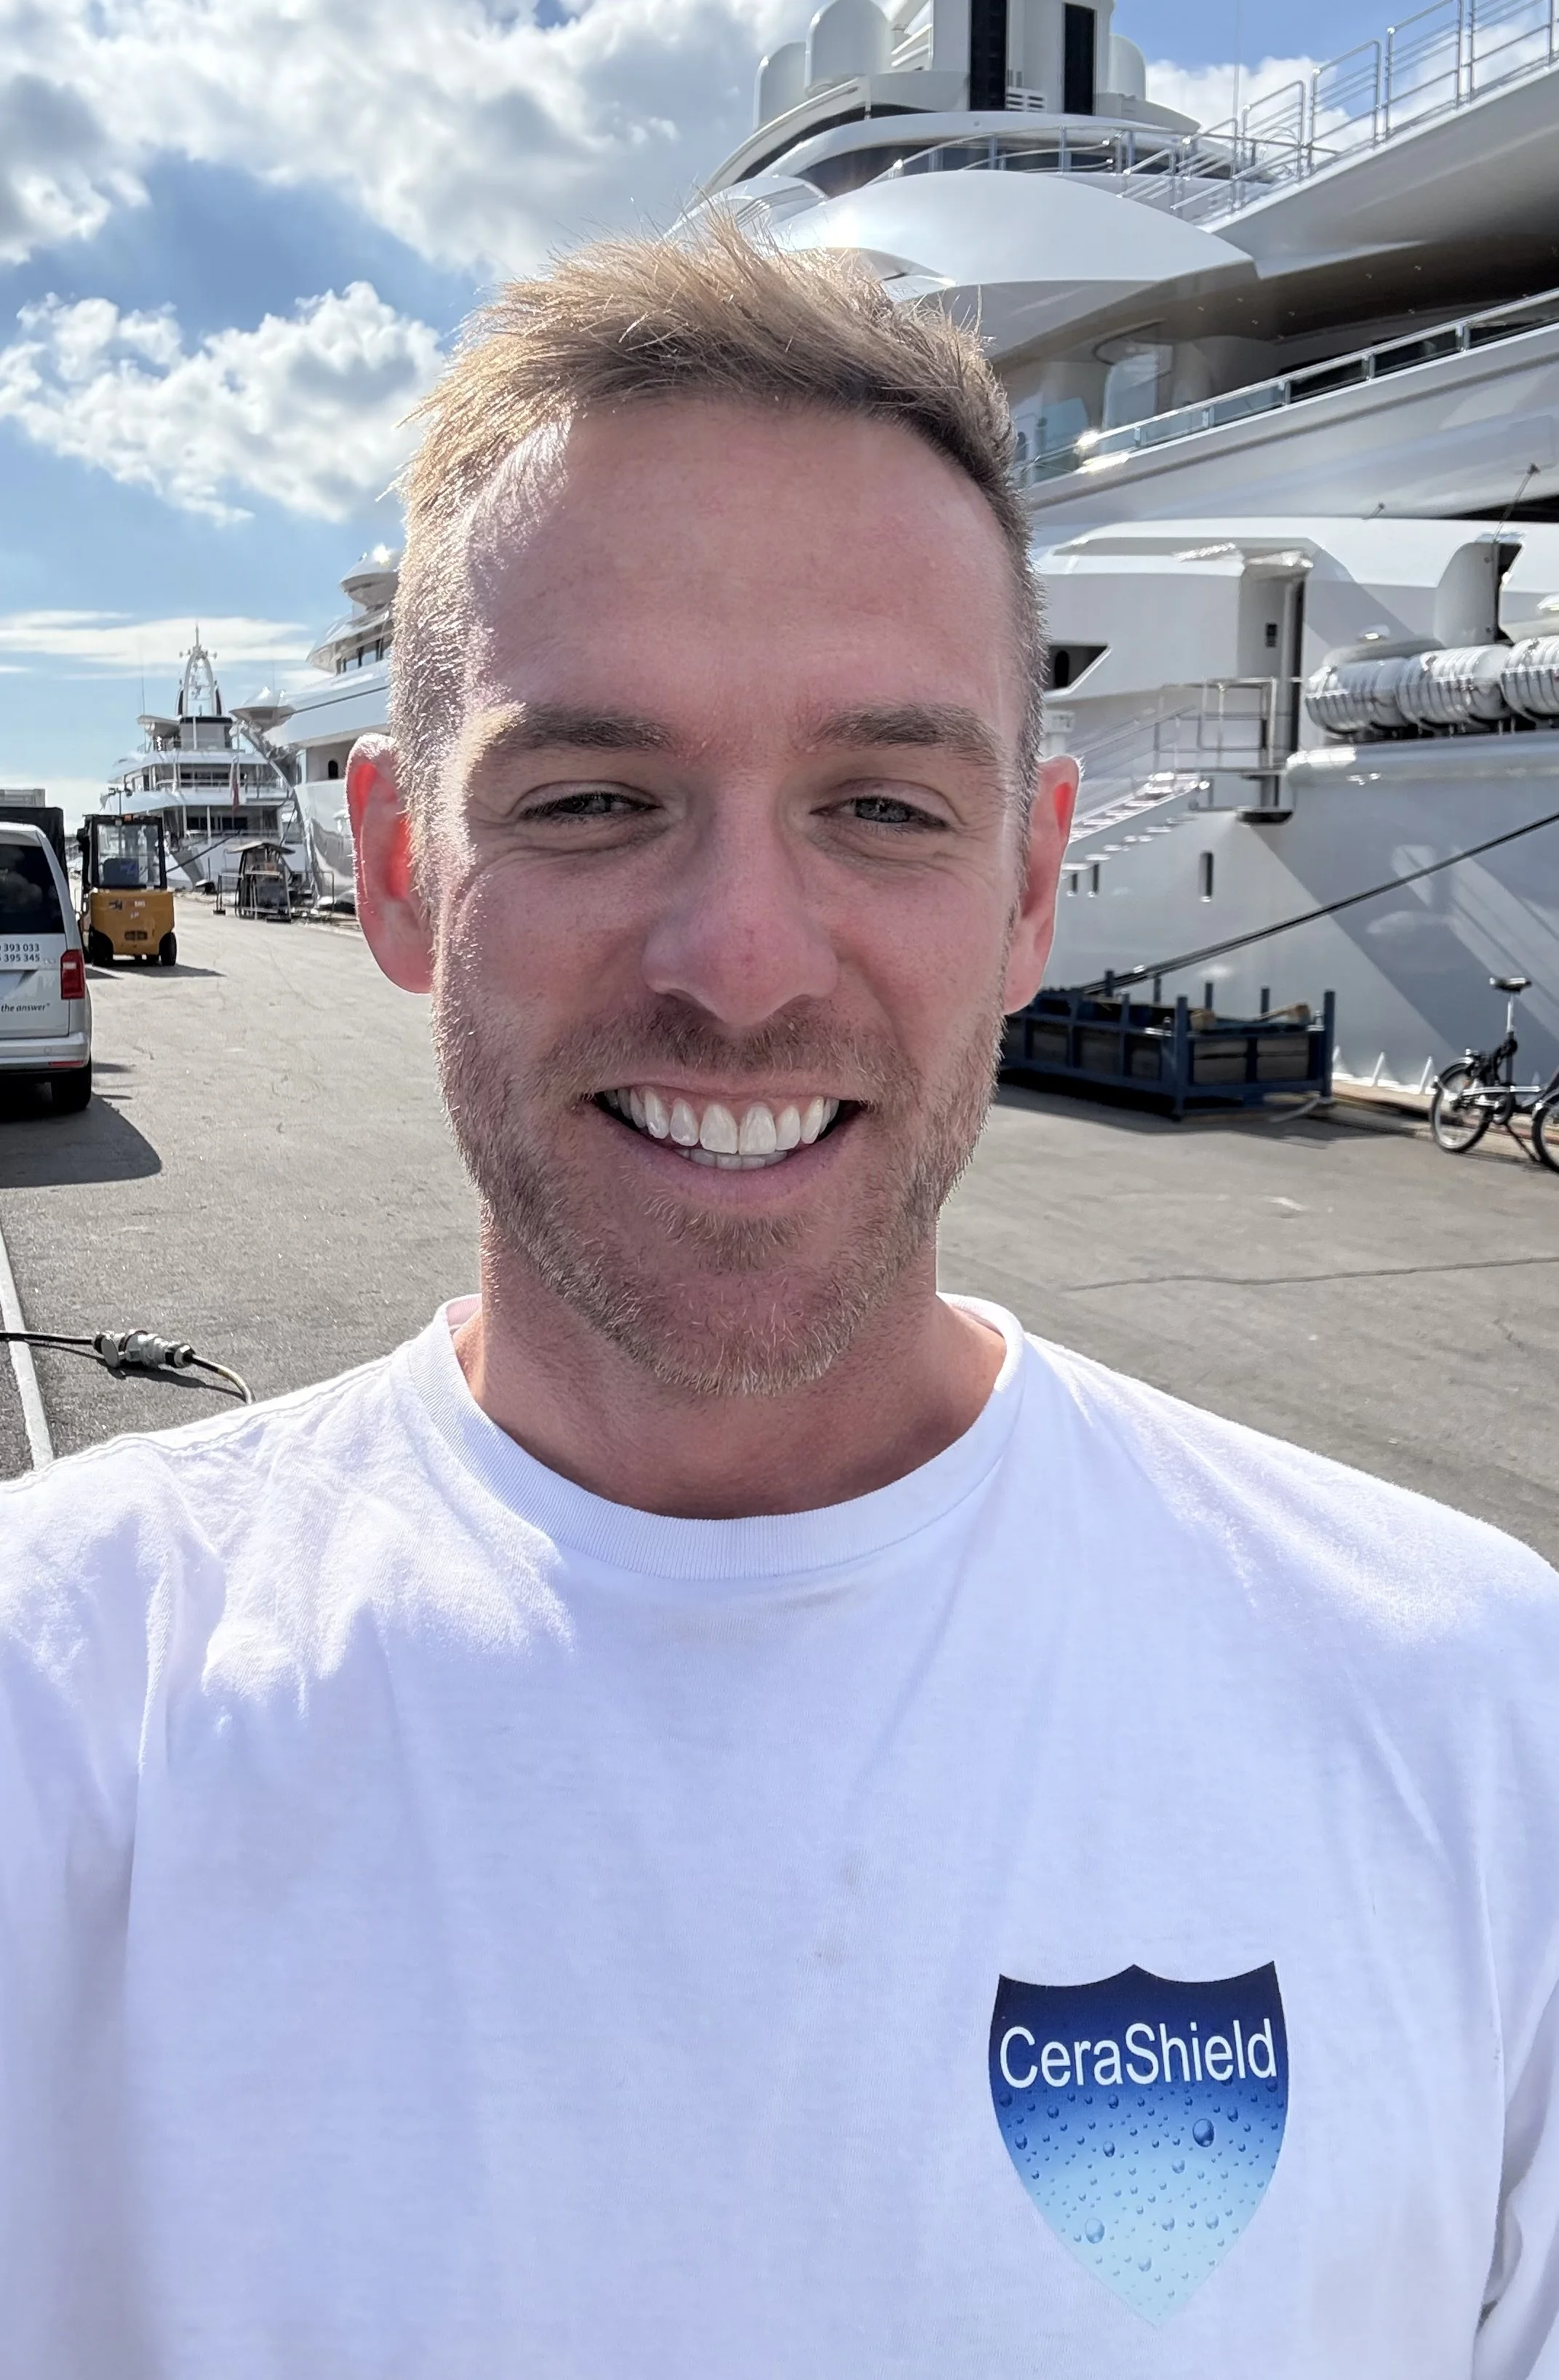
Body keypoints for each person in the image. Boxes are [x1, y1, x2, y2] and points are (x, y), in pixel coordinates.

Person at [2, 225, 1558, 2380]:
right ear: (394, 869)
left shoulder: (1479, 1729)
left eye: (882, 805)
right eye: (594, 797)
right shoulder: (57, 1710)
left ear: (1028, 883)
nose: (740, 963)